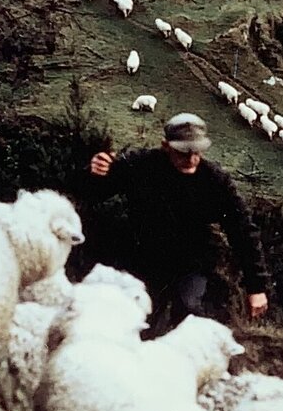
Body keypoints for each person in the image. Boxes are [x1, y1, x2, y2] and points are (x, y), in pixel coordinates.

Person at [89, 111, 269, 332]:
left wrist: (256, 287)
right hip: (145, 261)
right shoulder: (141, 166)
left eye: (197, 152)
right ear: (166, 146)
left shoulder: (214, 181)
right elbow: (94, 193)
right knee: (137, 322)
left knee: (189, 313)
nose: (192, 159)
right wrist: (96, 173)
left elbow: (242, 230)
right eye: (184, 152)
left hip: (191, 265)